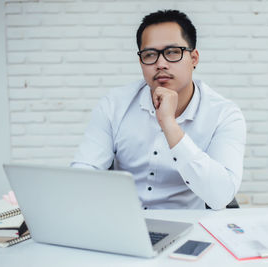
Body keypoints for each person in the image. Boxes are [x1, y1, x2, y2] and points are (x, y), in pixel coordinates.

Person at [71, 10, 246, 210]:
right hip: (123, 224)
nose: (160, 64)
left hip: (188, 227)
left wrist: (170, 125)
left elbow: (221, 196)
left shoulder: (224, 114)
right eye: (150, 55)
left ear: (194, 58)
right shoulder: (114, 104)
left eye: (172, 52)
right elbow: (84, 172)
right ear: (141, 61)